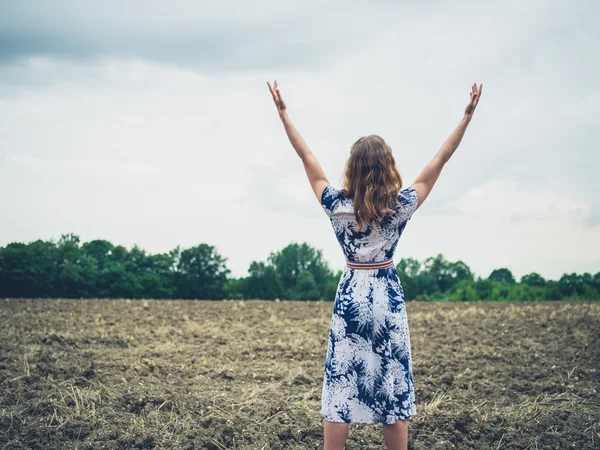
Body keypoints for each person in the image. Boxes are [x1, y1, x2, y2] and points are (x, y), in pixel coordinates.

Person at [267, 80, 483, 450]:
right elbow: (438, 162)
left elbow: (310, 163)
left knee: (341, 387)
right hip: (386, 296)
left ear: (352, 168)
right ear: (387, 168)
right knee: (392, 385)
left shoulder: (337, 206)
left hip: (352, 294)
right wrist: (465, 119)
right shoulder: (398, 207)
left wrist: (284, 116)